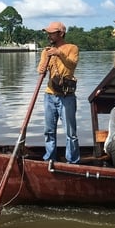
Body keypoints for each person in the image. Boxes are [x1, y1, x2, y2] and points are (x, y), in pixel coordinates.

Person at [37, 21, 80, 164]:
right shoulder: (46, 51)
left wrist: (59, 53)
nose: (49, 35)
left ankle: (72, 161)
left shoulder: (72, 48)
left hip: (66, 96)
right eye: (48, 33)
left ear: (61, 34)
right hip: (49, 95)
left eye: (52, 33)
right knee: (49, 131)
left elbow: (72, 64)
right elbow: (40, 70)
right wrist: (45, 60)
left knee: (70, 133)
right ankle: (49, 158)